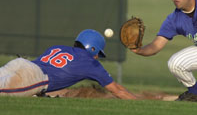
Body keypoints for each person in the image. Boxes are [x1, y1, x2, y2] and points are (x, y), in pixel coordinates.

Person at [0, 29, 137, 100]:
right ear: (92, 48)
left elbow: (45, 68)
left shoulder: (57, 48)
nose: (96, 57)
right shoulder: (90, 63)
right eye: (97, 53)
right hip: (31, 76)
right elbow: (117, 90)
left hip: (19, 63)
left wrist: (39, 94)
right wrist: (139, 102)